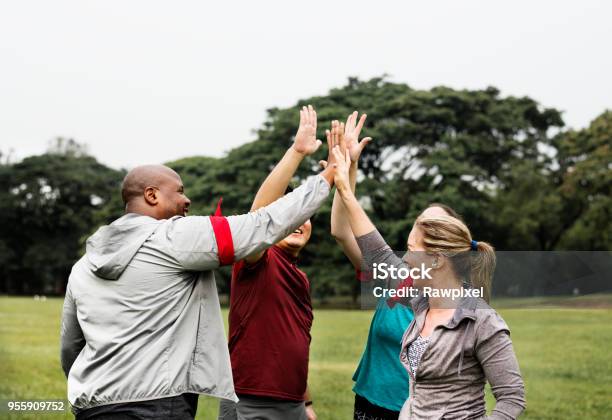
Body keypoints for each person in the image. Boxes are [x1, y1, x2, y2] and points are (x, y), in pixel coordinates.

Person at [59, 109, 338, 419]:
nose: (187, 200)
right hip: (157, 404)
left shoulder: (83, 266)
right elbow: (261, 224)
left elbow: (71, 346)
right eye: (179, 191)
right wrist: (328, 175)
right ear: (151, 196)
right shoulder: (175, 236)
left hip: (94, 406)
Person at [330, 143, 526, 419]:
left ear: (436, 260)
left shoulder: (482, 321)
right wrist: (346, 185)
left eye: (411, 249)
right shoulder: (421, 301)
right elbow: (377, 250)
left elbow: (511, 398)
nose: (405, 259)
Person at [330, 115, 465, 419]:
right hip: (370, 403)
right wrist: (350, 166)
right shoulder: (391, 275)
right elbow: (341, 230)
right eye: (421, 224)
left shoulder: (457, 300)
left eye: (433, 229)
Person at [218, 105, 325, 420]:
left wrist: (304, 403)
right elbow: (258, 218)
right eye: (284, 218)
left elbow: (294, 340)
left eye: (303, 217)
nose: (296, 223)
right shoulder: (258, 259)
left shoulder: (299, 276)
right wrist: (297, 151)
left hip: (291, 402)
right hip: (251, 401)